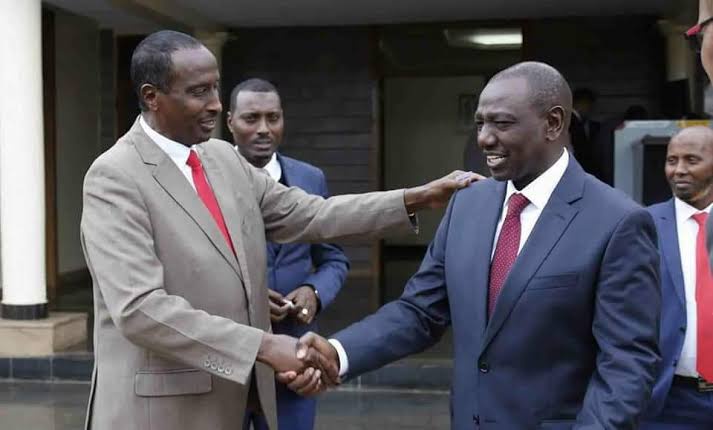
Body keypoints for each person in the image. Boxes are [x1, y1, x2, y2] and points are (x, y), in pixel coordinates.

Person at [80, 30, 479, 430]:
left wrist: (415, 198)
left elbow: (311, 213)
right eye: (199, 92)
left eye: (216, 88)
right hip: (162, 411)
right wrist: (265, 345)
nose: (216, 103)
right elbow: (140, 310)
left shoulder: (221, 158)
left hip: (237, 398)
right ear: (152, 97)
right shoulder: (115, 177)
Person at [281, 62, 661, 429]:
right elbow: (419, 312)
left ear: (553, 123)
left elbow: (627, 365)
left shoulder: (617, 223)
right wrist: (338, 352)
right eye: (480, 123)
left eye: (502, 123)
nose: (484, 138)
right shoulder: (467, 204)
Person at [225, 78, 350, 430]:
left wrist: (315, 291)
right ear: (230, 122)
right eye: (251, 119)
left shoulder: (310, 179)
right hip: (227, 358)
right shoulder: (206, 179)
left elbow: (334, 258)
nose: (264, 129)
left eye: (273, 118)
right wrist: (247, 297)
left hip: (294, 359)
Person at [643, 126, 713, 429]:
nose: (679, 170)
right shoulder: (642, 225)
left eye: (691, 160)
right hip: (670, 402)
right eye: (672, 160)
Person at [569, 88, 604, 181]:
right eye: (590, 106)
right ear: (583, 103)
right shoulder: (573, 121)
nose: (591, 110)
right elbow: (580, 150)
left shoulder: (574, 120)